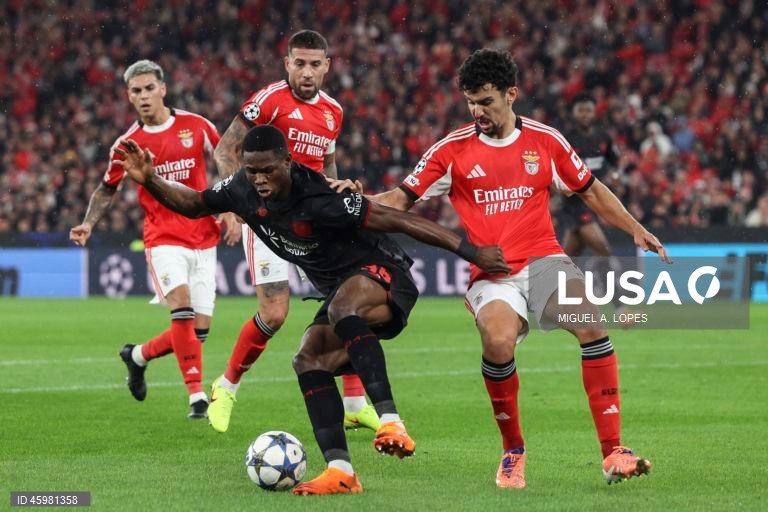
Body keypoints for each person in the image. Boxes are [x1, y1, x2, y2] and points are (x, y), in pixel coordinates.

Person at [333, 49, 670, 488]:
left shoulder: (546, 141)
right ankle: (513, 451)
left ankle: (613, 453)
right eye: (471, 102)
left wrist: (634, 228)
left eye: (487, 101)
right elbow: (400, 198)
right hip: (491, 271)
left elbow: (589, 189)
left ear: (512, 94)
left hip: (544, 257)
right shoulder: (451, 150)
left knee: (591, 325)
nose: (478, 111)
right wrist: (356, 201)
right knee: (497, 340)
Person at [113, 124, 509, 495]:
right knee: (308, 359)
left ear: (287, 162)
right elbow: (196, 203)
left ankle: (391, 422)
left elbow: (400, 220)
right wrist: (151, 179)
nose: (259, 179)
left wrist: (472, 253)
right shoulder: (242, 189)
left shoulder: (321, 196)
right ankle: (342, 472)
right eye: (252, 171)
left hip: (385, 277)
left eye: (268, 170)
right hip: (339, 293)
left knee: (342, 307)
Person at [210, 29, 377, 433]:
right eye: (298, 63)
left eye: (314, 64)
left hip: (315, 222)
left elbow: (327, 166)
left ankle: (354, 402)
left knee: (350, 302)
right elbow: (224, 150)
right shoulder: (268, 101)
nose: (306, 72)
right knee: (275, 313)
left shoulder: (333, 111)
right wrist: (245, 203)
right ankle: (226, 386)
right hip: (269, 221)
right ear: (286, 63)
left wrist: (338, 201)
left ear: (327, 66)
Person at [69, 59, 238, 419]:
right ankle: (196, 396)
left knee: (198, 331)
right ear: (128, 97)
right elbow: (106, 188)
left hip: (204, 235)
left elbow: (225, 160)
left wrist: (230, 207)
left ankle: (137, 355)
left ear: (163, 88)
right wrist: (87, 224)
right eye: (136, 91)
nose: (144, 96)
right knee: (182, 307)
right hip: (162, 237)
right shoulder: (128, 145)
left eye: (149, 88)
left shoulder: (196, 125)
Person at [556, 93, 635, 324]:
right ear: (574, 113)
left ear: (594, 112)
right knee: (602, 249)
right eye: (581, 110)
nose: (584, 115)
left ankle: (546, 303)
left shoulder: (603, 138)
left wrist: (617, 175)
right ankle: (619, 305)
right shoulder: (566, 139)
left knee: (569, 257)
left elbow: (615, 160)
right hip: (574, 204)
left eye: (588, 110)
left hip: (594, 202)